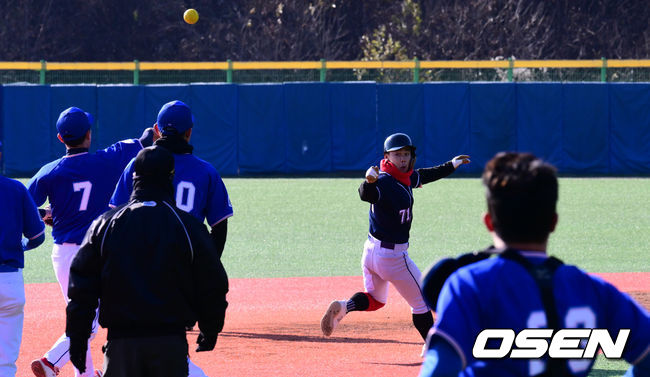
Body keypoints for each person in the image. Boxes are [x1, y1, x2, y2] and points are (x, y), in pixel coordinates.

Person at [419, 152, 650, 377]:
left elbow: (440, 369)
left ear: (489, 222)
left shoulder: (470, 285)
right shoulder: (596, 291)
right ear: (553, 222)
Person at [65, 146, 229, 376]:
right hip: (169, 346)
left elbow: (81, 287)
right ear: (170, 178)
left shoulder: (105, 224)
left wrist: (78, 338)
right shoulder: (188, 227)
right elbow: (213, 282)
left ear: (133, 178)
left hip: (121, 346)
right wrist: (210, 327)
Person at [27, 107, 154, 377]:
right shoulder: (108, 160)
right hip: (95, 254)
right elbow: (144, 141)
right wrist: (154, 132)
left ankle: (83, 374)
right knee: (90, 323)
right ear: (89, 134)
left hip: (62, 255)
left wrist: (46, 214)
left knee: (84, 316)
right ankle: (51, 362)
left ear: (61, 139)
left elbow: (23, 207)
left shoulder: (50, 171)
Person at [320, 132, 470, 352]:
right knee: (422, 303)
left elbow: (423, 176)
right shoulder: (384, 181)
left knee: (376, 300)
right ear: (386, 157)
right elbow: (367, 194)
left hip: (372, 252)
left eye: (406, 154)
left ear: (411, 156)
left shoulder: (403, 176)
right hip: (393, 258)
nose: (402, 159)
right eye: (397, 154)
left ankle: (343, 307)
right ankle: (435, 347)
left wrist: (451, 165)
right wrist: (368, 182)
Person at [110, 100, 233, 260]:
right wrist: (208, 266)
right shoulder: (207, 172)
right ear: (189, 132)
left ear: (156, 130)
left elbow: (115, 217)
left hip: (143, 261)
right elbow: (219, 227)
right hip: (186, 260)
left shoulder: (137, 165)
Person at [0, 140, 46, 376]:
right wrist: (20, 246)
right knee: (5, 363)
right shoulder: (16, 190)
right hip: (9, 281)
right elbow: (37, 237)